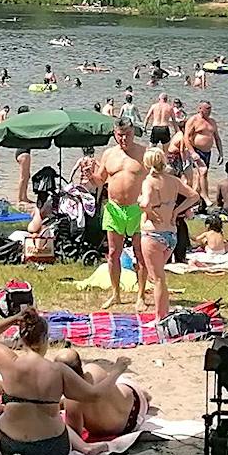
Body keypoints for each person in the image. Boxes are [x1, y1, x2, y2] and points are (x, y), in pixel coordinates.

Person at [0, 306, 111, 455]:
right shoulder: (59, 370)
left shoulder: (10, 364)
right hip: (56, 448)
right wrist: (117, 371)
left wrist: (15, 318)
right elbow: (94, 395)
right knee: (58, 421)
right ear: (45, 339)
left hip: (13, 446)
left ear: (22, 338)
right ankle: (84, 447)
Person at [137, 146, 200, 321]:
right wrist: (176, 211)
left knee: (157, 278)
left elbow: (145, 203)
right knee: (160, 277)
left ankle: (159, 318)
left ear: (147, 163)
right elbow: (194, 196)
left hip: (153, 234)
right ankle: (163, 313)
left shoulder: (149, 181)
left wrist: (147, 210)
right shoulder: (173, 181)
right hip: (171, 234)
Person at [96, 120, 148, 311]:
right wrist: (89, 174)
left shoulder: (144, 153)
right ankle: (115, 294)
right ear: (115, 134)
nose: (124, 138)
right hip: (114, 208)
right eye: (120, 135)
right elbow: (100, 180)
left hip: (137, 208)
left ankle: (140, 296)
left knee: (140, 253)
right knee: (113, 253)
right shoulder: (109, 154)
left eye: (127, 134)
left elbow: (157, 177)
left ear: (133, 133)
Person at [53, 347, 147, 445]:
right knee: (118, 383)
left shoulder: (72, 401)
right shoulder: (93, 368)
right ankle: (144, 394)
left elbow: (75, 435)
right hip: (137, 403)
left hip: (123, 429)